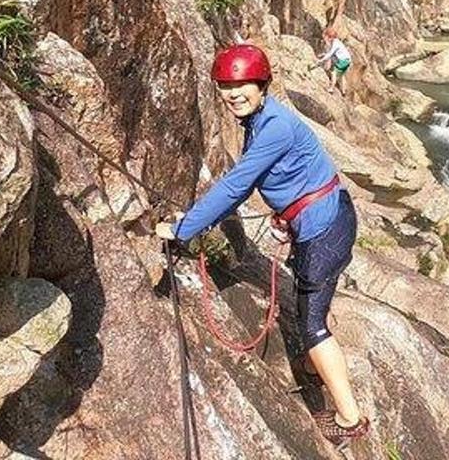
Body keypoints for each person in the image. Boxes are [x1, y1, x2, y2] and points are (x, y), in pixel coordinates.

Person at [156, 44, 369, 443]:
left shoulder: (275, 127)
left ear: (262, 84)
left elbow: (237, 186)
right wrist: (286, 211)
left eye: (243, 85)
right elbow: (290, 175)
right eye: (226, 86)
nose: (233, 93)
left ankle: (348, 420)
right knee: (309, 305)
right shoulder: (260, 119)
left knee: (311, 325)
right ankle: (311, 366)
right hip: (322, 219)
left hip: (324, 227)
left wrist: (184, 229)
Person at [313, 27, 351, 91]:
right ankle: (343, 91)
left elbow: (330, 54)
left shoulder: (335, 44)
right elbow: (331, 53)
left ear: (329, 37)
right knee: (341, 75)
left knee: (333, 73)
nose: (324, 38)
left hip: (343, 60)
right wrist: (323, 54)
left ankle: (331, 88)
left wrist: (320, 60)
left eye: (325, 36)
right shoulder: (336, 42)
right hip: (347, 60)